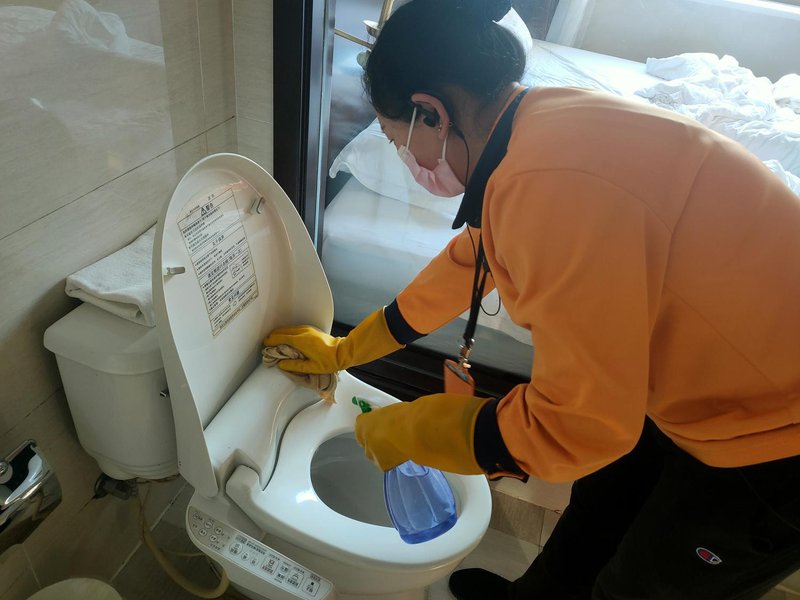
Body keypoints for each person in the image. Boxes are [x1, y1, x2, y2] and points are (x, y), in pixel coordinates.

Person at [264, 0, 800, 598]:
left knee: (641, 585)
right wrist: (346, 350)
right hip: (699, 381)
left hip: (776, 435)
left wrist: (426, 428)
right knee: (599, 512)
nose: (409, 161)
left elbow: (580, 426)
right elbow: (469, 263)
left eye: (397, 140)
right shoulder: (541, 125)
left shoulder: (551, 185)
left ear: (431, 112)